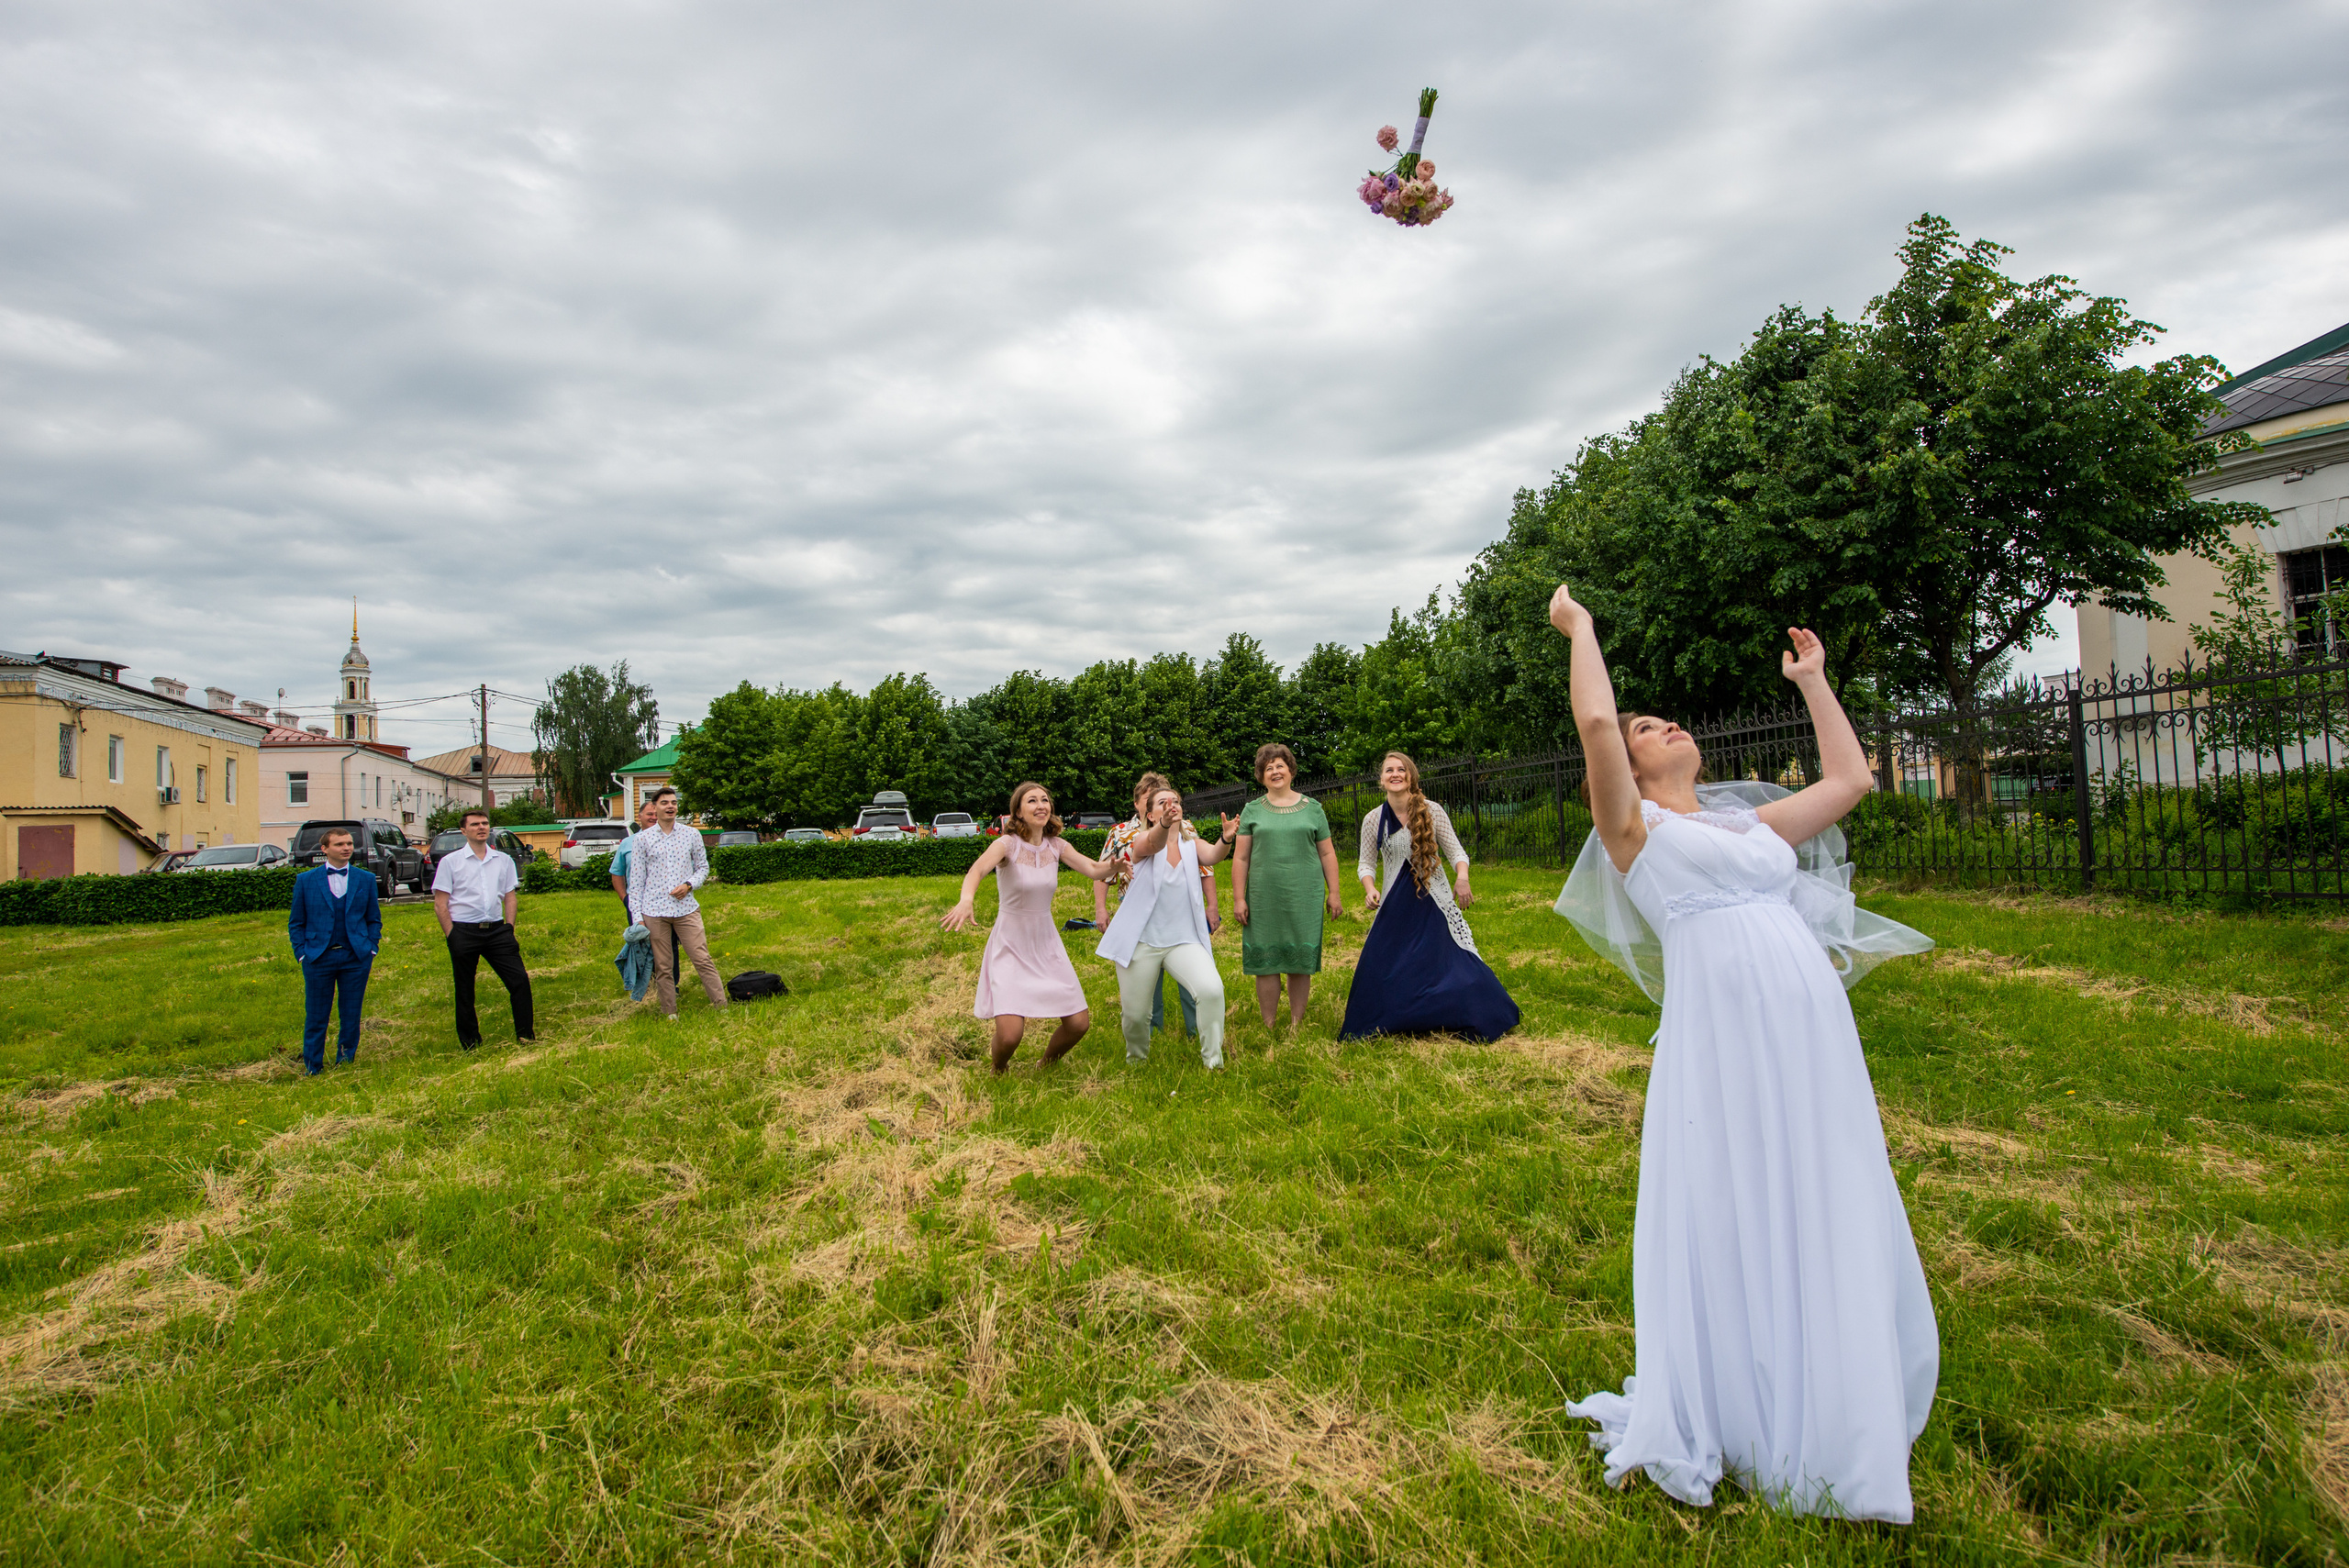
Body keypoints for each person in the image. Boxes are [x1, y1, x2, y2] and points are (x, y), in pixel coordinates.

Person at [1547, 583, 1938, 1522]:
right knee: (1737, 1192)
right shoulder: (1635, 833)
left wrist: (1813, 683)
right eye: (1649, 727)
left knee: (1817, 1181)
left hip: (1808, 1037)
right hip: (1721, 1043)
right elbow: (1595, 717)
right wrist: (1581, 627)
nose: (1660, 725)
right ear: (1630, 769)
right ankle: (1745, 1394)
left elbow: (1848, 784)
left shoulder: (1747, 827)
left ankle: (1832, 1387)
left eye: (1666, 720)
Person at [941, 781, 1122, 1073]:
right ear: (1018, 812)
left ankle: (1045, 1065)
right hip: (1011, 942)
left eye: (1044, 800)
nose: (1041, 805)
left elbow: (1092, 869)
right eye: (1032, 801)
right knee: (1011, 1035)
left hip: (1046, 941)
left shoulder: (1057, 846)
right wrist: (966, 899)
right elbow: (977, 869)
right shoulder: (1007, 844)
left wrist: (1114, 866)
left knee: (1079, 1023)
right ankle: (998, 1068)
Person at [1338, 752, 1519, 1041]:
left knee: (1455, 963)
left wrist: (1463, 878)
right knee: (1379, 969)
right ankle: (1394, 1019)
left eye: (1401, 770)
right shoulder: (1373, 819)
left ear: (1410, 776)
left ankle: (1471, 1012)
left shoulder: (1432, 810)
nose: (1395, 774)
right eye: (1389, 770)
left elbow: (1457, 852)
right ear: (1381, 779)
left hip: (1434, 901)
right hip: (1394, 904)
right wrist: (1370, 888)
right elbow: (1365, 864)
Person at [1102, 787, 1235, 1070]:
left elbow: (1212, 856)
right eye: (1163, 803)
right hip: (1142, 942)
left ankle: (1214, 1062)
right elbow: (1150, 845)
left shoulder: (1191, 843)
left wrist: (1225, 838)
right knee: (1136, 1015)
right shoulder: (1141, 840)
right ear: (1149, 814)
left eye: (1175, 801)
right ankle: (1136, 1061)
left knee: (1212, 990)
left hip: (1184, 942)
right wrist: (1163, 824)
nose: (1171, 805)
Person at [1092, 771, 1218, 1037]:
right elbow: (1104, 871)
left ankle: (1197, 1027)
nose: (1166, 806)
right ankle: (1153, 1028)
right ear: (1140, 804)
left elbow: (1205, 866)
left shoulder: (1186, 828)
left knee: (1193, 971)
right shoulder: (1120, 832)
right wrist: (1100, 909)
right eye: (1150, 798)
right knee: (1147, 978)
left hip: (1180, 910)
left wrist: (1212, 905)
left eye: (1169, 800)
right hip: (1137, 911)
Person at [1230, 743, 1342, 1029]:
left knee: (1299, 961)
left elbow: (1327, 853)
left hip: (1304, 895)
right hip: (1263, 897)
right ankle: (1268, 1024)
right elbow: (1241, 858)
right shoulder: (1251, 811)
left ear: (1291, 770)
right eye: (1268, 768)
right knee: (1266, 961)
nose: (1275, 771)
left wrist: (1335, 893)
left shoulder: (1314, 810)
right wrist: (1239, 898)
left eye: (1280, 765)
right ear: (1261, 776)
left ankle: (1296, 1024)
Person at [431, 806, 535, 1050]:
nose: (481, 828)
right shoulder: (451, 862)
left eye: (485, 824)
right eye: (475, 824)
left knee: (519, 981)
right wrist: (452, 935)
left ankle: (525, 1035)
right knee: (465, 988)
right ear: (463, 830)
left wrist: (509, 927)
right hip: (463, 931)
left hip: (498, 931)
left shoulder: (503, 860)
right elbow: (440, 903)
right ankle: (470, 1042)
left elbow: (510, 896)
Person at [287, 825, 382, 1075]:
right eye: (340, 844)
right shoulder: (306, 880)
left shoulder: (366, 879)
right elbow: (296, 921)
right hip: (318, 956)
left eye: (349, 843)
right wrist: (302, 952)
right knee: (316, 1014)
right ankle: (312, 1066)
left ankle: (345, 1060)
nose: (347, 848)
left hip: (356, 956)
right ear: (325, 849)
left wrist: (371, 947)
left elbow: (374, 919)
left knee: (351, 1012)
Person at [628, 787, 729, 1018]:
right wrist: (638, 919)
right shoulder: (643, 839)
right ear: (655, 807)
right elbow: (636, 883)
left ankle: (721, 1006)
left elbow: (703, 868)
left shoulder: (691, 834)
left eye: (674, 802)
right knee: (664, 966)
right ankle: (670, 1012)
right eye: (665, 803)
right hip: (654, 911)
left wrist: (689, 884)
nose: (670, 806)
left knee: (702, 958)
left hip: (686, 910)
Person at [609, 795, 675, 973]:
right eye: (649, 814)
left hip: (667, 902)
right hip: (638, 903)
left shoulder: (671, 840)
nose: (653, 817)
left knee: (669, 945)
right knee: (641, 943)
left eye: (656, 813)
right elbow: (617, 874)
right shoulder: (627, 843)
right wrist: (625, 898)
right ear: (640, 817)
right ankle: (644, 982)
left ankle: (671, 983)